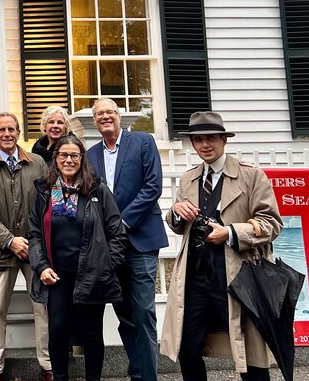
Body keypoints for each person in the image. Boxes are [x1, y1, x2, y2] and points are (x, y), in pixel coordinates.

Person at [160, 111, 283, 381]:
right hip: (196, 277)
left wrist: (229, 233)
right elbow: (177, 224)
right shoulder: (188, 178)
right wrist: (177, 211)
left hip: (239, 275)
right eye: (198, 139)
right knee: (187, 347)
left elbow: (271, 223)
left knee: (251, 354)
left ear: (224, 140)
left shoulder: (252, 176)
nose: (205, 145)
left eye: (211, 138)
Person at [29, 135, 128, 381]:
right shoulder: (42, 190)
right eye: (63, 155)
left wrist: (106, 265)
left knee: (92, 333)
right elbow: (34, 234)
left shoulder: (97, 189)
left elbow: (117, 232)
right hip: (56, 275)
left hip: (92, 274)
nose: (69, 160)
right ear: (56, 159)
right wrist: (41, 266)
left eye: (74, 155)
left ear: (82, 159)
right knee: (58, 330)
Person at [86, 98, 167, 381]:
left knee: (144, 311)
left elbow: (152, 186)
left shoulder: (143, 142)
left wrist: (122, 222)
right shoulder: (90, 155)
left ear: (119, 116)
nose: (104, 117)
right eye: (99, 114)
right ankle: (138, 372)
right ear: (95, 121)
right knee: (126, 314)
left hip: (141, 240)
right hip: (111, 249)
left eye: (109, 112)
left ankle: (148, 377)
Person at [0, 112, 52, 381]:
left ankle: (48, 365)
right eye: (1, 130)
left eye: (11, 129)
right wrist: (9, 240)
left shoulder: (38, 163)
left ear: (18, 132)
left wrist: (33, 241)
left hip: (35, 250)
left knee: (42, 308)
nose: (7, 134)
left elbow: (47, 205)